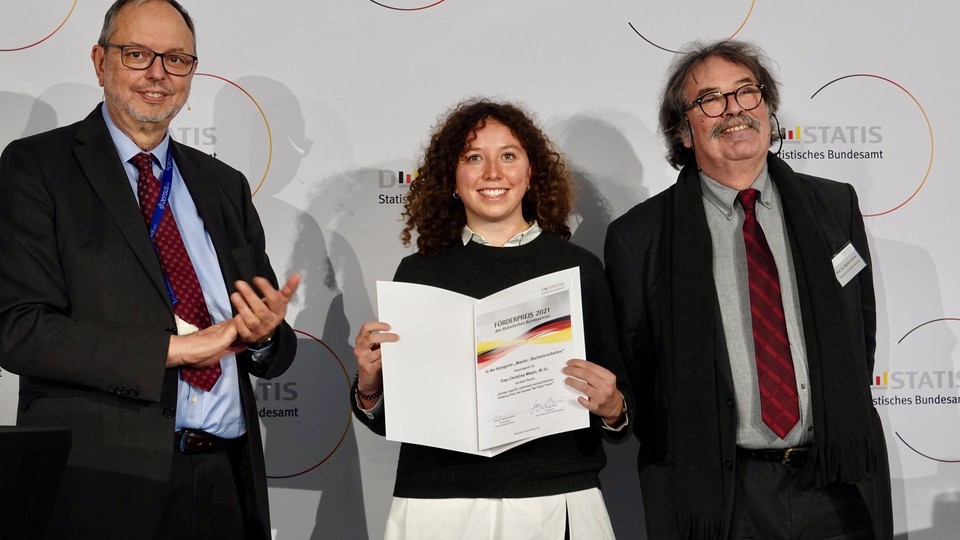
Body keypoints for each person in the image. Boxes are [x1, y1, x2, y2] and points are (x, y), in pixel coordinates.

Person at [0, 1, 300, 538]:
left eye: (177, 59)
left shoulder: (222, 184)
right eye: (137, 54)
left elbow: (269, 346)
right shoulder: (37, 167)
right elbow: (18, 328)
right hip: (102, 484)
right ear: (100, 62)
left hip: (224, 483)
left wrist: (261, 335)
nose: (158, 74)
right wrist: (179, 350)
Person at [604, 39, 893, 539]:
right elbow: (637, 373)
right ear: (684, 131)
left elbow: (856, 335)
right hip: (720, 497)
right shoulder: (639, 237)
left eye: (746, 93)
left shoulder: (834, 206)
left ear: (768, 108)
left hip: (836, 480)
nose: (734, 110)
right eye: (710, 100)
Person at [351, 98, 633, 539]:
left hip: (554, 498)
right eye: (473, 158)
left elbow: (618, 409)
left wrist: (614, 408)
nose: (492, 173)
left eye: (508, 156)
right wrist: (370, 388)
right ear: (452, 177)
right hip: (438, 503)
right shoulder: (418, 273)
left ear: (531, 171)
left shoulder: (578, 268)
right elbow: (396, 417)